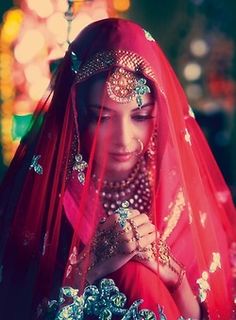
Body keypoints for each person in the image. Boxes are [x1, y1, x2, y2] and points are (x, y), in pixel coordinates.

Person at [0, 18, 235, 320]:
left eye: (140, 116)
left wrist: (176, 282)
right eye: (103, 118)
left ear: (159, 114)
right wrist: (90, 268)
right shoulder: (41, 199)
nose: (124, 140)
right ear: (75, 115)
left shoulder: (184, 197)